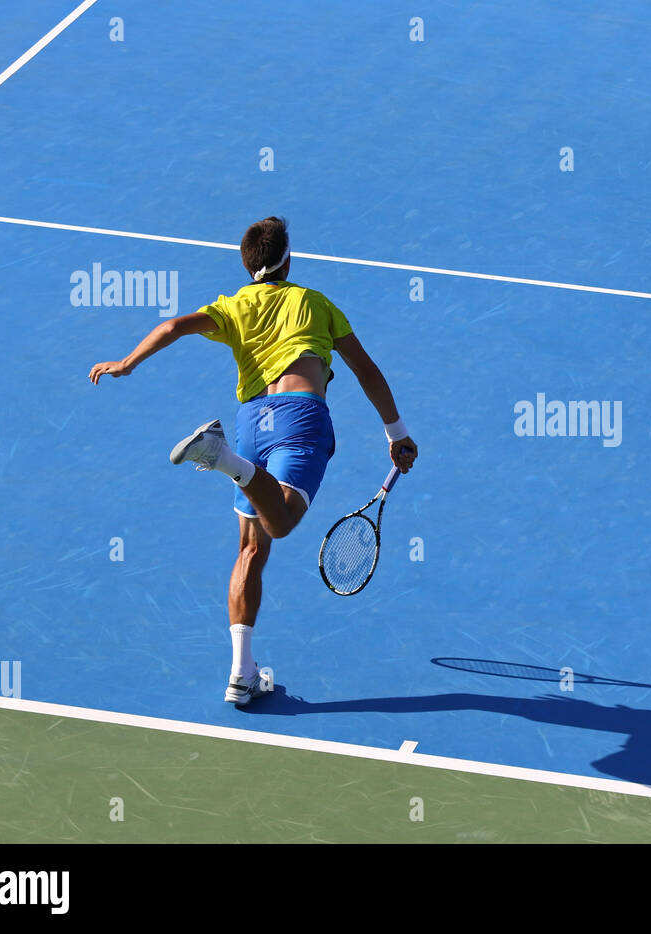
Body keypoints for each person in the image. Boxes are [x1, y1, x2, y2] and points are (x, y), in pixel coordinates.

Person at [88, 216, 417, 705]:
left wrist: (127, 363)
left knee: (251, 551)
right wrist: (397, 433)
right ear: (288, 259)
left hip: (252, 425)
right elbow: (365, 369)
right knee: (280, 523)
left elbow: (174, 326)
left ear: (248, 265)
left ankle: (242, 673)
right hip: (300, 420)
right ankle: (221, 458)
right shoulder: (314, 302)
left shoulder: (234, 304)